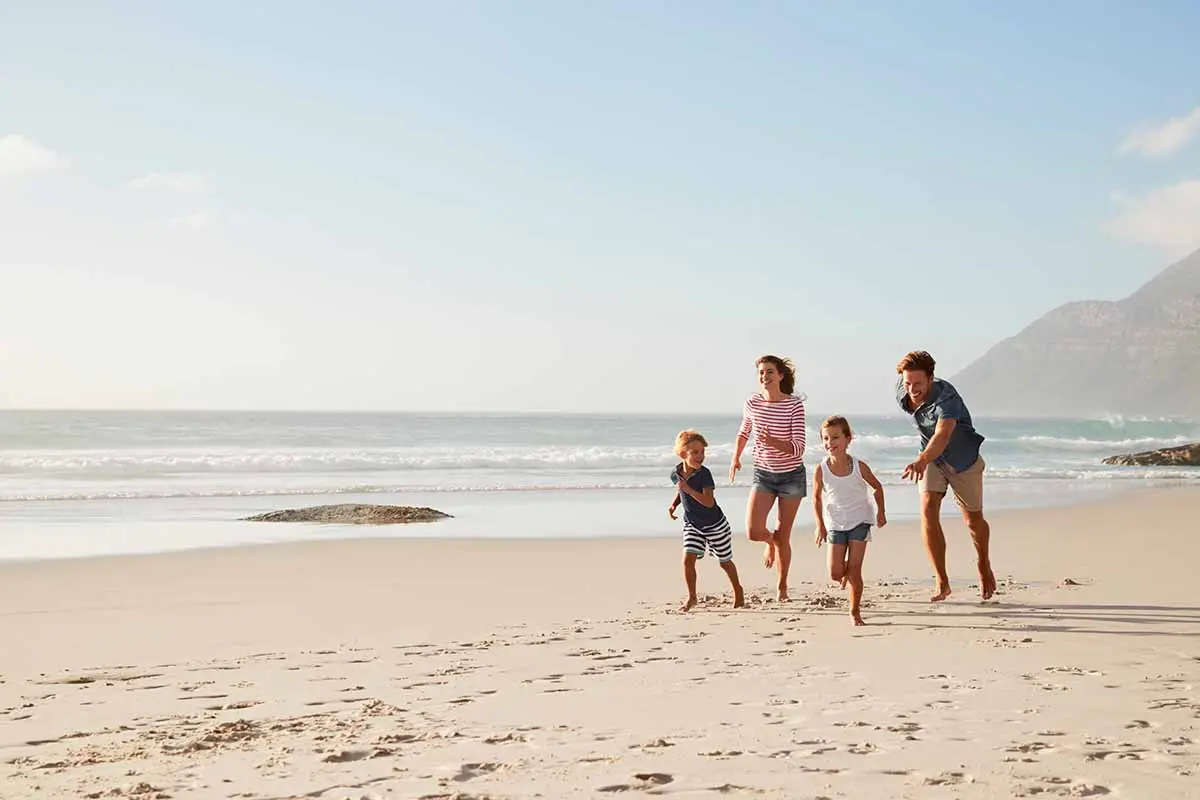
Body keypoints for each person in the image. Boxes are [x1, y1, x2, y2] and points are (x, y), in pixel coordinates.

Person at [895, 350, 996, 602]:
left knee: (973, 521)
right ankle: (942, 580)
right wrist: (924, 459)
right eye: (907, 383)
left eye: (918, 383)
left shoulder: (947, 398)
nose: (912, 389)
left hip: (963, 460)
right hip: (932, 459)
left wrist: (920, 460)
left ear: (931, 378)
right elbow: (930, 438)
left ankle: (983, 563)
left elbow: (942, 435)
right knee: (928, 509)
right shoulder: (903, 390)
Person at [729, 354, 807, 601]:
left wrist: (773, 441)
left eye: (770, 372)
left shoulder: (794, 405)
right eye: (761, 372)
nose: (765, 376)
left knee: (784, 534)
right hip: (763, 474)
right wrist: (736, 457)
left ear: (781, 376)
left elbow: (798, 448)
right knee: (753, 531)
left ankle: (782, 586)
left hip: (791, 477)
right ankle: (769, 542)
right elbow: (744, 432)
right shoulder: (752, 403)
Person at [812, 416, 887, 626]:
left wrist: (881, 513)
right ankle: (846, 575)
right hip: (835, 524)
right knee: (835, 572)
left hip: (860, 521)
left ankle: (854, 611)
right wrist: (820, 525)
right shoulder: (821, 469)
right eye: (826, 438)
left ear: (848, 439)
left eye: (835, 437)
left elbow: (877, 487)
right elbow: (816, 498)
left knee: (855, 570)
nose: (830, 443)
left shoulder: (858, 466)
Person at [668, 429, 744, 612]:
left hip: (715, 525)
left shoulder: (705, 475)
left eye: (702, 452)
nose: (700, 456)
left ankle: (738, 591)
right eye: (695, 452)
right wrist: (674, 505)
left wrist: (688, 489)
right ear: (682, 453)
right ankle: (692, 597)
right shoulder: (675, 473)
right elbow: (681, 491)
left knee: (724, 562)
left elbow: (708, 502)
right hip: (692, 524)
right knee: (688, 559)